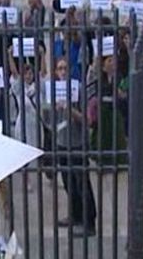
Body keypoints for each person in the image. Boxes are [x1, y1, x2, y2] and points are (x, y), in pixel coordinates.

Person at [43, 58, 97, 237]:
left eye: (65, 68)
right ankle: (75, 215)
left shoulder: (78, 89)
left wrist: (70, 109)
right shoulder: (53, 90)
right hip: (61, 142)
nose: (63, 72)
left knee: (82, 182)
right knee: (68, 182)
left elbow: (87, 120)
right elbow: (48, 119)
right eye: (59, 69)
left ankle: (89, 221)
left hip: (77, 143)